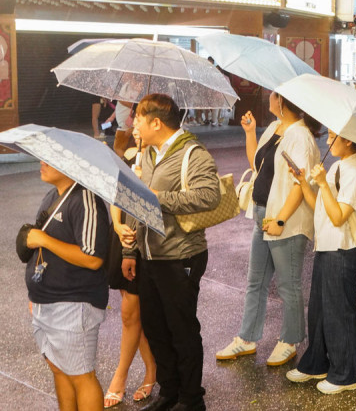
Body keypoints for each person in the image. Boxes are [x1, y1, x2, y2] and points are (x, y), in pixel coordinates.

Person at [121, 94, 221, 411]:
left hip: (180, 256)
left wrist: (158, 197)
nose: (133, 122)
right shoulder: (147, 154)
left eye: (138, 117)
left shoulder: (193, 153)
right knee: (156, 328)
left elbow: (209, 196)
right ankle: (170, 392)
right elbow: (137, 202)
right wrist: (129, 249)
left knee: (182, 329)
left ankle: (192, 400)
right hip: (149, 255)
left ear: (156, 122)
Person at [216, 93, 320, 366]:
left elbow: (301, 184)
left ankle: (290, 340)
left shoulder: (302, 137)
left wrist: (282, 219)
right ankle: (247, 338)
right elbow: (256, 164)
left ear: (283, 102)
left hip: (287, 220)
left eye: (274, 95)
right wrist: (250, 133)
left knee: (288, 284)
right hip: (262, 213)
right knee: (256, 281)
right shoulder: (275, 128)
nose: (269, 98)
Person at [286, 130, 356, 394]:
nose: (327, 142)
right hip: (327, 245)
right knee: (319, 309)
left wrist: (325, 184)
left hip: (344, 248)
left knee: (339, 311)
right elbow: (321, 207)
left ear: (348, 139)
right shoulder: (338, 165)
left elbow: (338, 217)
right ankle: (316, 363)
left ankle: (347, 374)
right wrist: (305, 182)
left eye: (332, 137)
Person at [24, 162, 110, 411]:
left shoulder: (85, 198)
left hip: (74, 302)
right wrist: (37, 294)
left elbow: (93, 257)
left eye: (50, 160)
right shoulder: (54, 194)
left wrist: (45, 241)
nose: (41, 163)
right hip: (46, 300)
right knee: (59, 368)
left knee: (81, 375)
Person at [104, 130, 157, 409]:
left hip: (141, 243)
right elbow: (117, 195)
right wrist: (116, 225)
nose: (136, 128)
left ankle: (120, 377)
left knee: (130, 314)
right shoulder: (130, 155)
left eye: (141, 122)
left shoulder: (157, 160)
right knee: (132, 313)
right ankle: (151, 369)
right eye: (135, 122)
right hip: (121, 237)